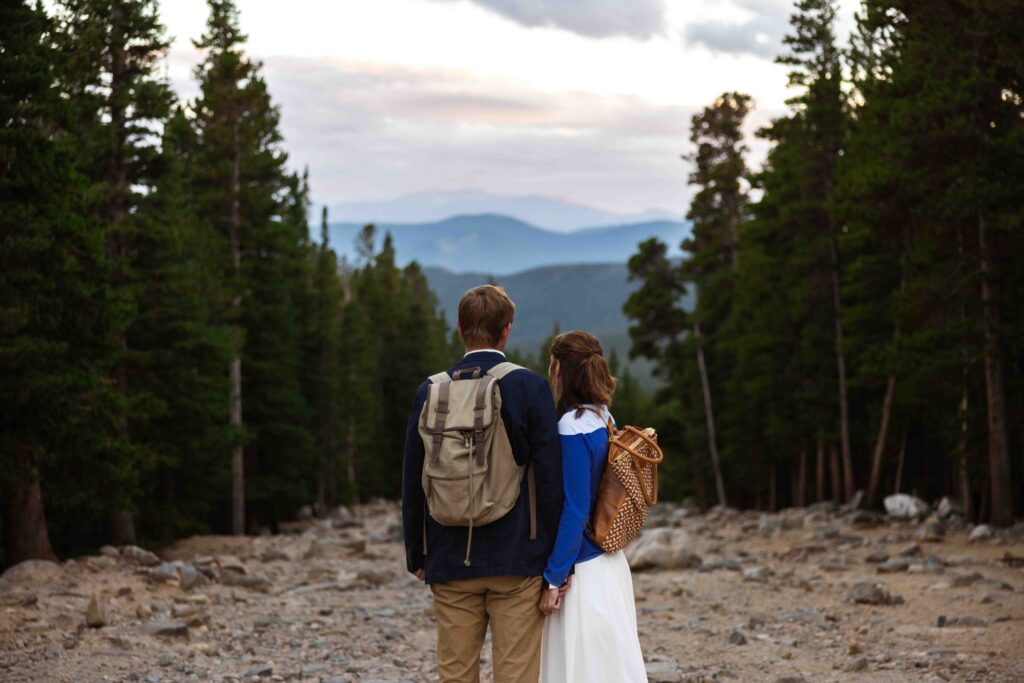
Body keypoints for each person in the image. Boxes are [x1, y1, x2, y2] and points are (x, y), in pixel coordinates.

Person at [402, 284, 563, 683]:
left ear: (460, 328)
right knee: (517, 673)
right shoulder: (529, 388)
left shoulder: (430, 391)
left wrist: (417, 556)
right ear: (506, 330)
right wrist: (558, 560)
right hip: (517, 558)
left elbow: (412, 479)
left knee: (455, 674)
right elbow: (549, 480)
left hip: (448, 555)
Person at [538, 331, 648, 683]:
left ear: (558, 369)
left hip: (583, 573)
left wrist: (554, 578)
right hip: (611, 564)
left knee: (581, 670)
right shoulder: (604, 417)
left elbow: (574, 510)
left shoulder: (570, 427)